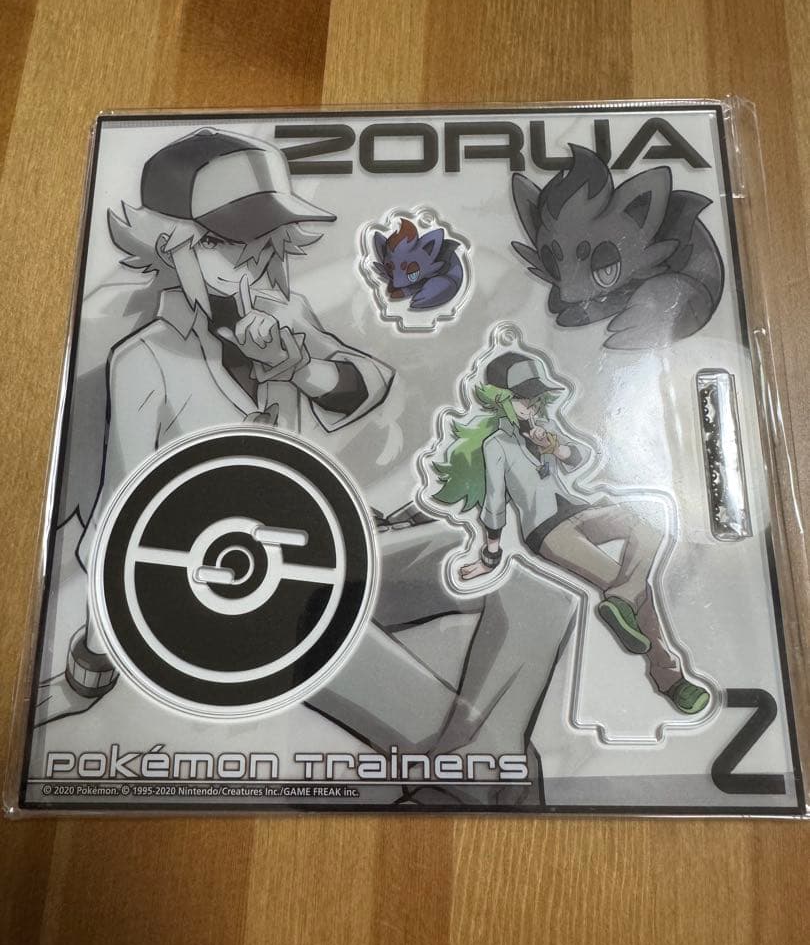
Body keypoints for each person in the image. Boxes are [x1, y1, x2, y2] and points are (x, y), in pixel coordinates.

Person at [37, 127, 394, 716]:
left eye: (264, 243)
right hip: (218, 595)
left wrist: (301, 370)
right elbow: (118, 520)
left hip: (312, 562)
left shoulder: (288, 315)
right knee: (433, 718)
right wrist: (98, 657)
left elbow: (367, 382)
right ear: (169, 246)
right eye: (225, 244)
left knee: (516, 606)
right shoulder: (146, 358)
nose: (250, 262)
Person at [432, 350, 709, 714]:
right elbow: (495, 503)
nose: (531, 406)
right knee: (637, 590)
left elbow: (580, 457)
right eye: (522, 399)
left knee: (649, 523)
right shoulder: (496, 446)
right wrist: (491, 555)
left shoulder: (546, 429)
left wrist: (556, 448)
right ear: (500, 400)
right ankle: (670, 678)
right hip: (546, 531)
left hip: (580, 509)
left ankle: (622, 598)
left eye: (534, 398)